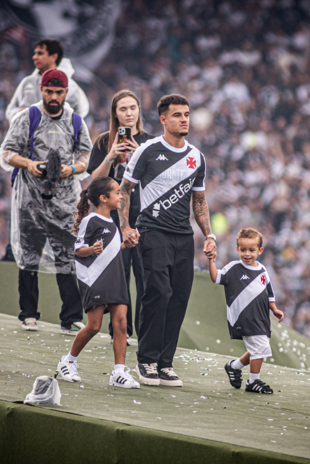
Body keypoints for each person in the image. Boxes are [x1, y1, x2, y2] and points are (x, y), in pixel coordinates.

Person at [119, 94, 217, 387]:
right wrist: (125, 227)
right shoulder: (147, 151)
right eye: (177, 115)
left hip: (184, 237)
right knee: (158, 292)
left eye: (186, 114)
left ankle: (165, 363)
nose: (184, 119)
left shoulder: (197, 157)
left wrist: (209, 235)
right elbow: (124, 189)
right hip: (152, 232)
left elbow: (199, 200)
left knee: (178, 299)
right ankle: (146, 359)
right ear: (163, 119)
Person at [0, 69, 92, 335]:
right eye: (49, 91)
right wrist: (28, 163)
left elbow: (85, 155)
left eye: (58, 92)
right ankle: (28, 314)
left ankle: (71, 317)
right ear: (41, 89)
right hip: (30, 201)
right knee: (29, 257)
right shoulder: (27, 117)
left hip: (65, 203)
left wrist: (71, 169)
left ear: (66, 93)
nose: (53, 97)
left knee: (67, 258)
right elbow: (7, 152)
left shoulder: (75, 121)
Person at [56, 177, 140, 389]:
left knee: (121, 323)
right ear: (103, 198)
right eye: (117, 193)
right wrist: (91, 249)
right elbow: (78, 250)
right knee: (94, 326)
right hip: (94, 279)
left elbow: (109, 249)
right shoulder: (90, 221)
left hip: (116, 278)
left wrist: (125, 244)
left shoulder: (112, 222)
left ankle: (119, 372)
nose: (121, 196)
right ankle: (68, 361)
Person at [87, 90, 152, 341]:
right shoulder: (104, 141)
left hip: (144, 219)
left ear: (139, 111)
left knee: (145, 278)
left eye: (133, 108)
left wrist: (139, 156)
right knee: (118, 277)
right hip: (113, 221)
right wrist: (110, 156)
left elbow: (156, 182)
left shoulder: (150, 142)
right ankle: (120, 331)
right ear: (115, 113)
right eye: (123, 109)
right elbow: (95, 182)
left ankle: (145, 334)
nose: (129, 113)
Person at [209, 228, 283, 394]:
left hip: (261, 318)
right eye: (243, 250)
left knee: (259, 348)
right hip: (244, 318)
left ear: (260, 250)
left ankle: (234, 366)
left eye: (251, 250)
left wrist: (274, 309)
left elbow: (269, 292)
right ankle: (253, 382)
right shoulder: (234, 268)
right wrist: (211, 261)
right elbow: (216, 277)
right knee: (260, 348)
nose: (247, 254)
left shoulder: (262, 270)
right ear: (238, 249)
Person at [6, 39, 89, 122]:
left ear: (53, 57)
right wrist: (20, 113)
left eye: (40, 54)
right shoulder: (28, 82)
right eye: (35, 53)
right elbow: (10, 111)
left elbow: (82, 110)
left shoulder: (68, 85)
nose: (35, 57)